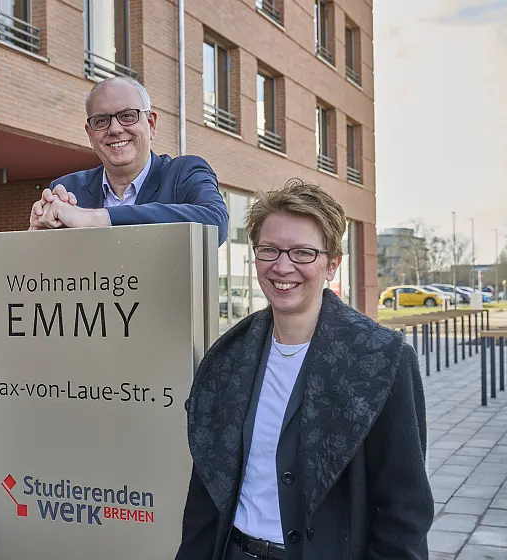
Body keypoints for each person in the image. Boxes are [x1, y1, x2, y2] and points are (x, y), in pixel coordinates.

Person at [176, 179, 433, 560]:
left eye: (303, 253)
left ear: (332, 265)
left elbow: (405, 510)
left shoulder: (383, 359)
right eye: (269, 250)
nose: (283, 266)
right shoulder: (227, 357)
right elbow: (205, 493)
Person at [29, 76, 229, 244]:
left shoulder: (184, 174)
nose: (115, 129)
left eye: (127, 116)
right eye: (101, 120)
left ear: (151, 124)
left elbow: (215, 224)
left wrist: (97, 217)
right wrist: (35, 241)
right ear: (90, 135)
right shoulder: (68, 191)